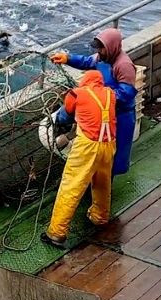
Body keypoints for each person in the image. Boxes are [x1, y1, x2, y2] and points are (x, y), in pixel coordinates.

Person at [41, 70, 117, 247]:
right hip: (109, 144)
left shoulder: (76, 93)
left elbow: (64, 116)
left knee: (71, 187)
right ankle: (99, 217)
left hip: (87, 146)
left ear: (84, 81)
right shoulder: (110, 94)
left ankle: (56, 233)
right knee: (102, 183)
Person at [50, 28, 137, 176]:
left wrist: (102, 97)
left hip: (121, 116)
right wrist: (68, 58)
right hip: (103, 112)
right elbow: (87, 62)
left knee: (116, 156)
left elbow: (126, 92)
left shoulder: (124, 65)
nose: (99, 52)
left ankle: (106, 185)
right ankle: (97, 180)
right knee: (100, 150)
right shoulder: (102, 58)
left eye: (101, 48)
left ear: (112, 47)